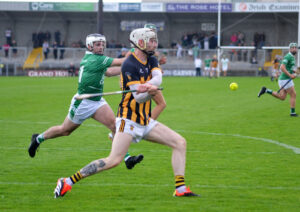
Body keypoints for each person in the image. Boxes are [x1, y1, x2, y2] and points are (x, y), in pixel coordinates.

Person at [53, 28, 199, 198]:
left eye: (154, 40)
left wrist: (151, 85)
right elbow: (139, 98)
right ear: (140, 42)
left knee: (180, 143)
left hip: (145, 120)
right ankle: (67, 181)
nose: (155, 44)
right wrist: (147, 92)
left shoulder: (151, 59)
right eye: (151, 40)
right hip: (128, 120)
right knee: (113, 161)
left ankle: (180, 189)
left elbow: (158, 78)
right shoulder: (129, 65)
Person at [28, 33, 143, 170]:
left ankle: (127, 158)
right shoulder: (96, 59)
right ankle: (38, 139)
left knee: (114, 125)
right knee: (65, 130)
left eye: (102, 44)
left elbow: (110, 72)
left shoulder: (97, 59)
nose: (101, 47)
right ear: (90, 46)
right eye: (97, 44)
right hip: (83, 103)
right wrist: (136, 49)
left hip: (97, 101)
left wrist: (128, 69)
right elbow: (123, 61)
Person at [258, 43, 298, 117]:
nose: (294, 49)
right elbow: (282, 67)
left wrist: (294, 72)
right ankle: (292, 113)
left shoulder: (292, 57)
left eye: (295, 48)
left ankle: (266, 90)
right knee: (293, 94)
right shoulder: (288, 56)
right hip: (285, 79)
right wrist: (290, 75)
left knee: (282, 97)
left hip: (283, 79)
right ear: (290, 49)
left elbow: (288, 68)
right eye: (293, 48)